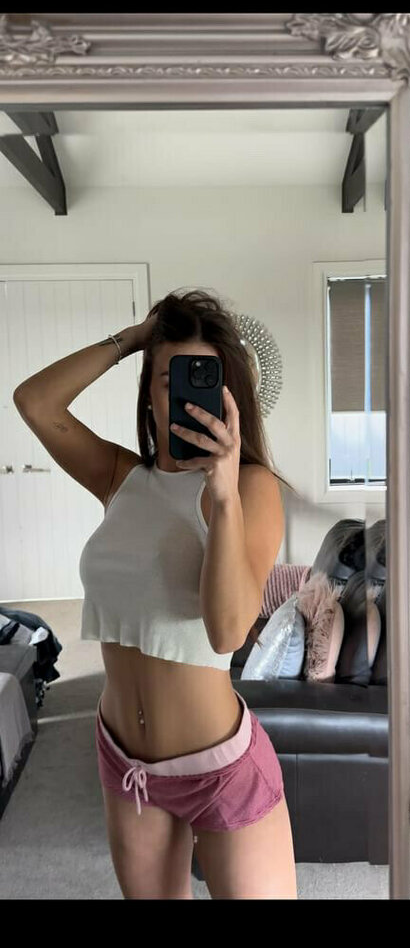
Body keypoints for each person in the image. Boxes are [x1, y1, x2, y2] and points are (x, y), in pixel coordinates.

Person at [13, 288, 297, 900]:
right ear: (150, 393)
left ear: (229, 396)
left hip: (219, 766)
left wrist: (222, 493)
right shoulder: (120, 477)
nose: (185, 397)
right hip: (127, 765)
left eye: (204, 381)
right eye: (170, 380)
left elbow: (227, 631)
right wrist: (136, 338)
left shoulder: (253, 488)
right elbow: (34, 401)